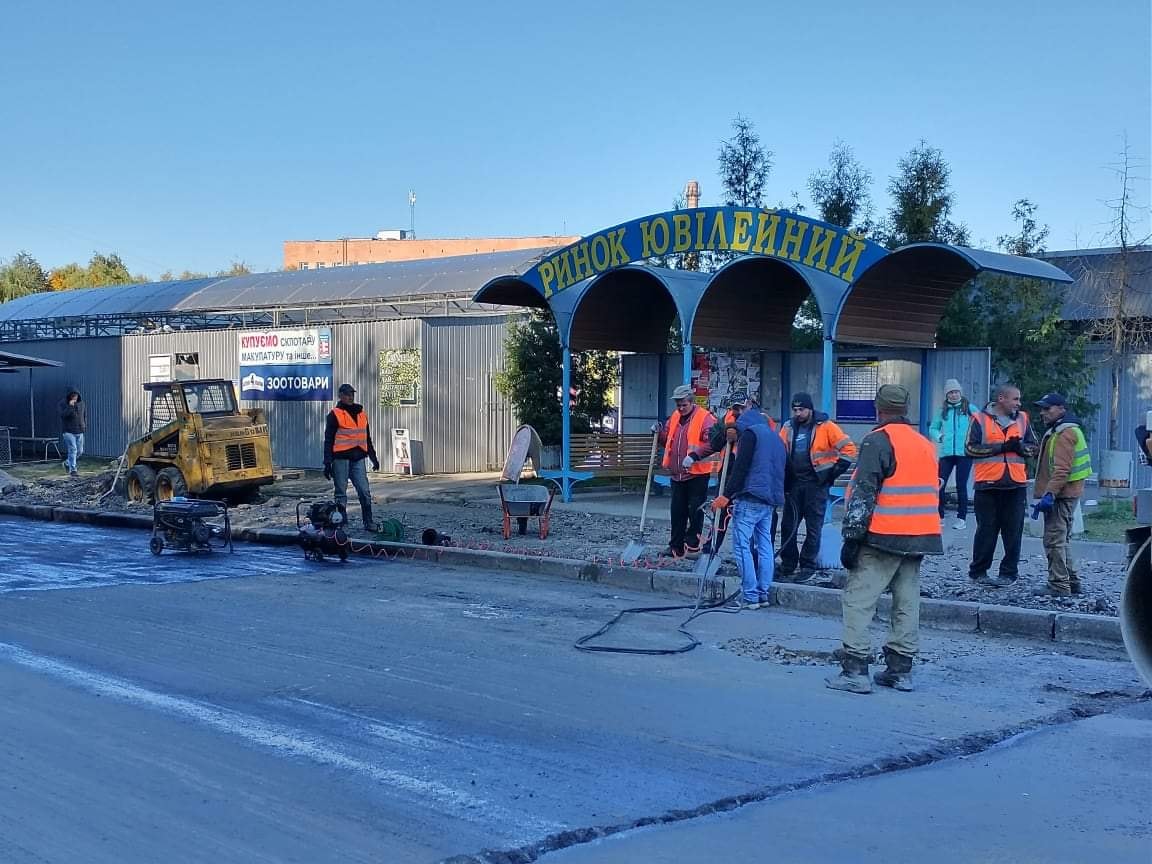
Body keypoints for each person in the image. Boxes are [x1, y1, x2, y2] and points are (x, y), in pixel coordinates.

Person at [826, 385, 943, 694]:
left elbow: (864, 492)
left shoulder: (877, 440)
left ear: (878, 408)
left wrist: (852, 537)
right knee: (906, 603)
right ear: (906, 408)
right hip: (920, 536)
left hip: (883, 536)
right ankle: (900, 671)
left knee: (859, 600)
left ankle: (855, 670)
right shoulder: (924, 444)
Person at [711, 402, 787, 610]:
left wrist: (725, 496)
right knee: (765, 546)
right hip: (769, 500)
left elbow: (740, 468)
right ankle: (763, 593)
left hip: (749, 498)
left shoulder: (750, 435)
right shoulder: (776, 438)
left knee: (742, 545)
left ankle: (750, 596)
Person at [777, 393, 857, 582]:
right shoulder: (788, 427)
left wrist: (831, 474)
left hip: (816, 485)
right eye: (795, 410)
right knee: (788, 526)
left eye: (801, 409)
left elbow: (849, 450)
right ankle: (788, 564)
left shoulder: (826, 426)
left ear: (810, 409)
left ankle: (808, 565)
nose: (798, 413)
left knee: (813, 528)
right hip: (794, 484)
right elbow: (780, 450)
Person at [965, 384, 1038, 588]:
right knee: (986, 531)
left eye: (1019, 399)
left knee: (1013, 532)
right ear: (1001, 399)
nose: (1019, 403)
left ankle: (1009, 573)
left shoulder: (1023, 419)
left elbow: (1034, 446)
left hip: (1015, 485)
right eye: (1015, 399)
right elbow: (970, 449)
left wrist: (1021, 448)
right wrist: (1002, 447)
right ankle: (978, 572)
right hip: (987, 485)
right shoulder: (979, 419)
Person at [1032, 393, 1092, 597]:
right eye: (1042, 409)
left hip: (1061, 495)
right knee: (1062, 540)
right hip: (1067, 494)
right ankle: (1072, 582)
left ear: (1061, 409)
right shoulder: (1063, 430)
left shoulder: (1064, 434)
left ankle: (1058, 585)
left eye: (1047, 408)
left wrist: (1049, 494)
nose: (1043, 412)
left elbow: (1061, 470)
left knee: (1054, 540)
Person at [652, 384, 717, 558]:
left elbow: (713, 443)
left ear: (691, 402)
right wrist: (659, 433)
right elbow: (668, 440)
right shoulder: (674, 417)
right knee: (677, 512)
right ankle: (676, 547)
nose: (680, 408)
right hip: (677, 474)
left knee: (695, 512)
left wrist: (695, 456)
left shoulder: (705, 418)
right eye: (678, 405)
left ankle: (692, 546)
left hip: (697, 474)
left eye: (684, 405)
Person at [323, 383, 380, 531]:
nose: (350, 397)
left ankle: (368, 522)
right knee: (341, 493)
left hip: (358, 458)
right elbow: (328, 440)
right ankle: (341, 523)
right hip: (340, 459)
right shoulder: (335, 414)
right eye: (347, 394)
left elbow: (367, 439)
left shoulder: (361, 414)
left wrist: (373, 458)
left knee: (364, 491)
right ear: (340, 396)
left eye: (352, 394)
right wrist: (327, 463)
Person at [929, 378, 976, 530]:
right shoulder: (942, 411)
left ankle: (961, 518)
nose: (954, 395)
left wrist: (973, 441)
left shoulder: (970, 408)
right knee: (939, 484)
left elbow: (981, 424)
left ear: (960, 393)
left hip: (964, 453)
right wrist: (940, 437)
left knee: (961, 485)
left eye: (956, 392)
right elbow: (933, 428)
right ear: (946, 395)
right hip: (946, 453)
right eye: (950, 393)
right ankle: (939, 516)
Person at [59, 388, 87, 477]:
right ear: (69, 396)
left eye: (76, 395)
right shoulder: (63, 403)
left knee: (80, 451)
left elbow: (84, 415)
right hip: (68, 431)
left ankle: (67, 463)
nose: (74, 397)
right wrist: (70, 406)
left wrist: (84, 425)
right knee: (73, 449)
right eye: (73, 396)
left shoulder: (82, 403)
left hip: (80, 430)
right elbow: (63, 415)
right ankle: (73, 470)